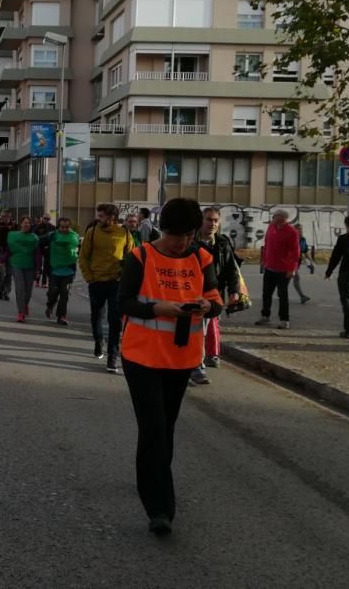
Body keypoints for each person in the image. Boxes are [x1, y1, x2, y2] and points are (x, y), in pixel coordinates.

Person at [119, 198, 223, 536]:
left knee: (167, 428)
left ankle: (156, 487)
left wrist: (208, 306)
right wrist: (157, 308)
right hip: (141, 357)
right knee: (153, 428)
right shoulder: (141, 256)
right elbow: (122, 302)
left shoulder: (201, 257)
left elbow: (216, 300)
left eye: (188, 235)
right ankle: (159, 507)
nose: (181, 243)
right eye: (175, 235)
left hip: (181, 358)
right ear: (163, 230)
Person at [78, 203, 135, 372]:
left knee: (115, 320)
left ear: (112, 217)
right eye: (99, 215)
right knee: (97, 315)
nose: (98, 218)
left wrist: (125, 275)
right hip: (96, 281)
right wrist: (90, 278)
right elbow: (83, 257)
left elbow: (131, 257)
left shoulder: (124, 232)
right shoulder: (92, 232)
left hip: (117, 282)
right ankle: (98, 341)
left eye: (101, 216)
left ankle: (112, 357)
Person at [191, 207, 241, 385]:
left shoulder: (222, 243)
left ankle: (198, 363)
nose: (212, 224)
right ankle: (196, 367)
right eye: (208, 220)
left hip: (214, 296)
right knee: (198, 331)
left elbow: (231, 269)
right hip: (192, 294)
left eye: (215, 220)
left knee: (203, 331)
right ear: (200, 221)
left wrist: (234, 291)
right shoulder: (190, 242)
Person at [255, 209, 300, 329]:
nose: (272, 218)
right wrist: (264, 261)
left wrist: (292, 269)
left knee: (282, 295)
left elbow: (295, 252)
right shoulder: (271, 228)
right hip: (269, 267)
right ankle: (265, 315)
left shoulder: (291, 232)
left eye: (274, 216)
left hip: (284, 270)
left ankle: (284, 319)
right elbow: (266, 244)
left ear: (281, 217)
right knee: (266, 293)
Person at [41, 217, 80, 326]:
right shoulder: (53, 235)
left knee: (64, 294)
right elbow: (40, 241)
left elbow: (78, 249)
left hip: (68, 272)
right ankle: (50, 305)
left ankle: (61, 316)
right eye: (62, 227)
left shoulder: (74, 237)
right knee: (53, 293)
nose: (64, 229)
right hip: (54, 271)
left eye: (67, 227)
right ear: (58, 227)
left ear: (70, 227)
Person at [7, 216, 38, 322]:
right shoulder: (13, 236)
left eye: (28, 223)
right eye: (24, 222)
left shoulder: (34, 238)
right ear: (20, 224)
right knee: (20, 289)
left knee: (28, 291)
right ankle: (21, 312)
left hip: (30, 266)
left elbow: (37, 254)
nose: (26, 225)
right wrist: (0, 260)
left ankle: (25, 305)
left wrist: (39, 269)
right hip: (17, 264)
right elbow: (9, 251)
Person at [0, 212, 16, 301]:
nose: (5, 218)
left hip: (11, 253)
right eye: (4, 216)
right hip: (1, 253)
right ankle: (0, 289)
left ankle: (6, 292)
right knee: (1, 273)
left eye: (7, 216)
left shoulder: (14, 226)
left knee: (9, 273)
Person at [33, 214, 55, 288]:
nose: (46, 220)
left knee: (46, 266)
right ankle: (37, 280)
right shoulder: (38, 226)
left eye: (48, 219)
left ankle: (44, 282)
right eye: (45, 218)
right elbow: (34, 236)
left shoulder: (52, 227)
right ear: (42, 218)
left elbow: (54, 237)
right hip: (39, 247)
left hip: (48, 248)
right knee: (39, 264)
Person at [291, 224, 312, 305]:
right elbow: (296, 252)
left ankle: (280, 291)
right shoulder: (292, 239)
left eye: (301, 229)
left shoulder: (303, 239)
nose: (300, 231)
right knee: (296, 277)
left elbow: (305, 251)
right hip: (290, 262)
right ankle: (302, 296)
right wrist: (307, 263)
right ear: (294, 230)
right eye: (298, 229)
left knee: (287, 279)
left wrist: (311, 262)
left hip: (297, 263)